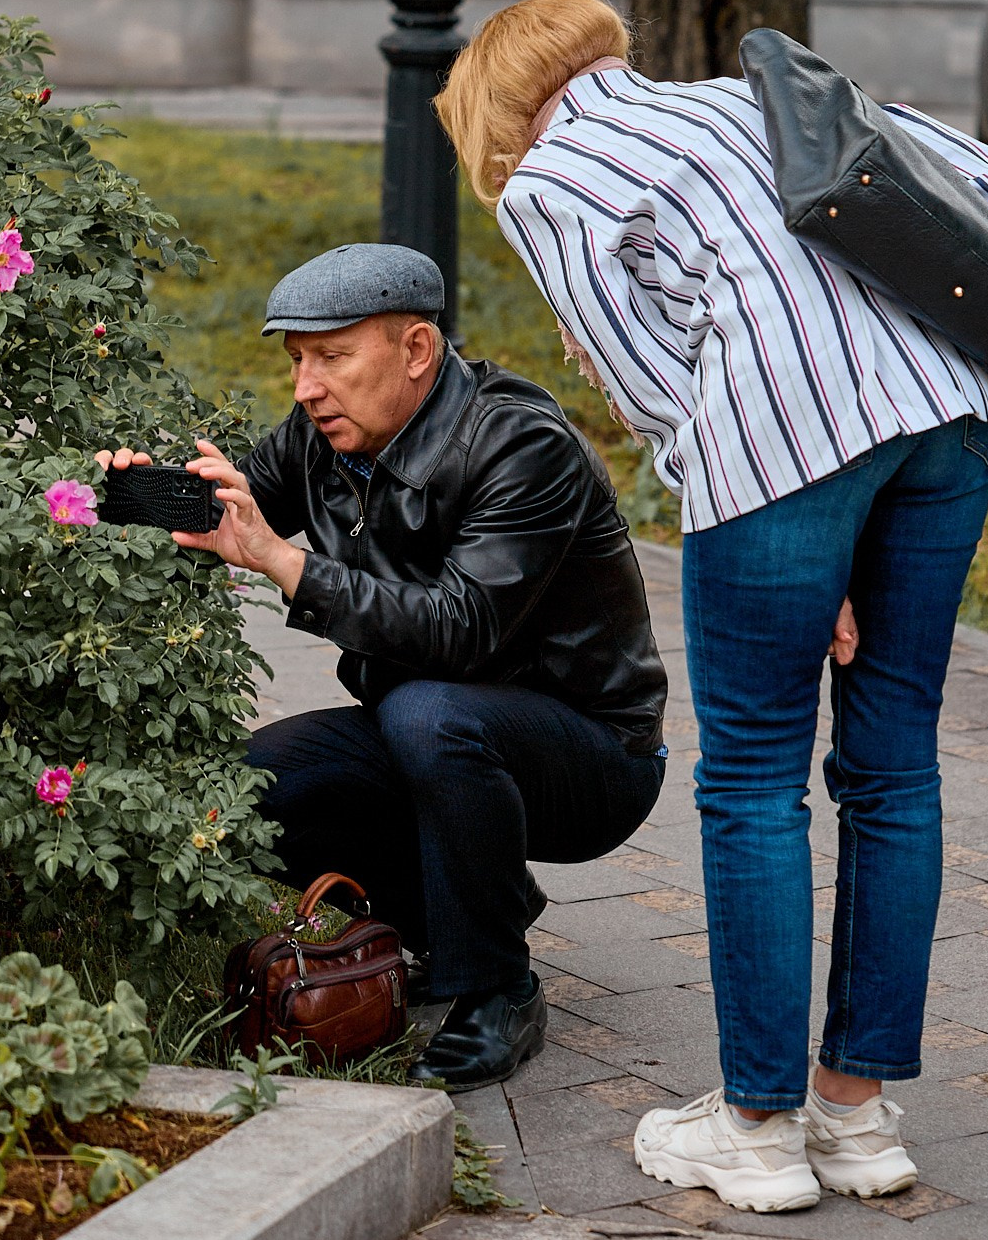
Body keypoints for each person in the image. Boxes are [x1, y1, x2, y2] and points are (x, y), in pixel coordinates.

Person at [436, 0, 988, 1212]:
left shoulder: (551, 181)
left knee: (751, 781)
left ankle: (760, 1130)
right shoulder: (754, 102)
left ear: (496, 114)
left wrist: (777, 532)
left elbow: (651, 383)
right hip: (951, 423)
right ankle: (859, 1117)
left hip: (784, 449)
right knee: (893, 771)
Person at [96, 242, 669, 1090]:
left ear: (415, 351)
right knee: (251, 789)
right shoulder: (325, 436)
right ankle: (452, 918)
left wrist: (285, 564)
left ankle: (498, 990)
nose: (306, 387)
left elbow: (461, 628)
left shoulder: (521, 444)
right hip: (431, 733)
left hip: (592, 756)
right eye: (296, 361)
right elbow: (235, 514)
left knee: (427, 713)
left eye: (331, 356)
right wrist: (132, 502)